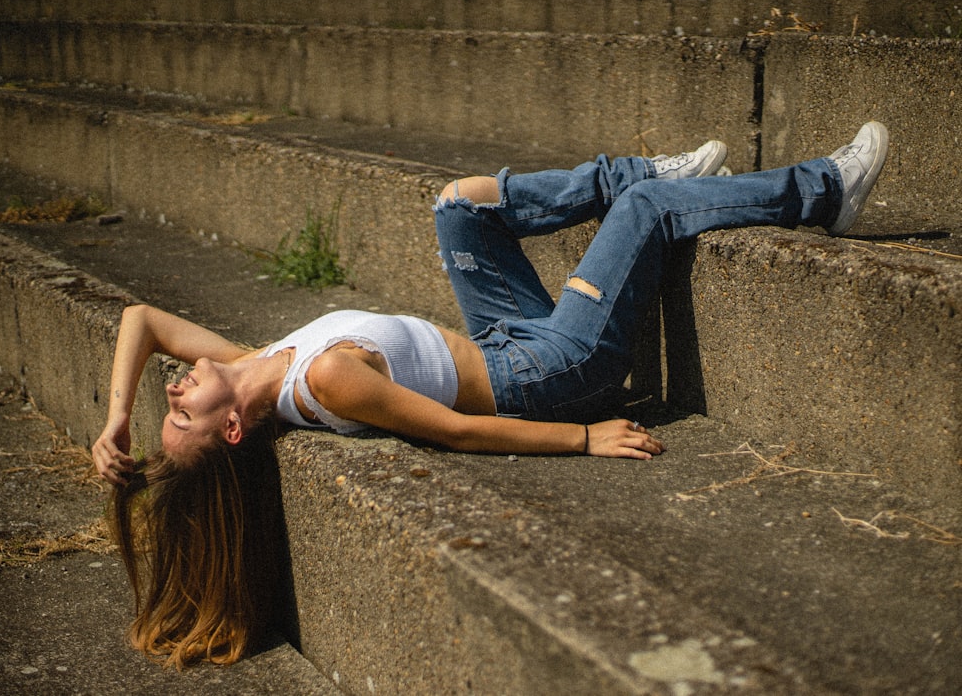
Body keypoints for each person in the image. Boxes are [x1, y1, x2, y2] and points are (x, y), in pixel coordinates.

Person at [92, 121, 889, 667]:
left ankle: (643, 169)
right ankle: (824, 189)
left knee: (459, 205)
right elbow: (456, 432)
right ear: (233, 428)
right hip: (552, 371)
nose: (176, 384)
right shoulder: (321, 379)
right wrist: (584, 438)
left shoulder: (258, 362)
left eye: (171, 396)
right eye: (181, 410)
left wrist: (119, 419)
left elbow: (142, 318)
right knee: (645, 215)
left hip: (507, 339)